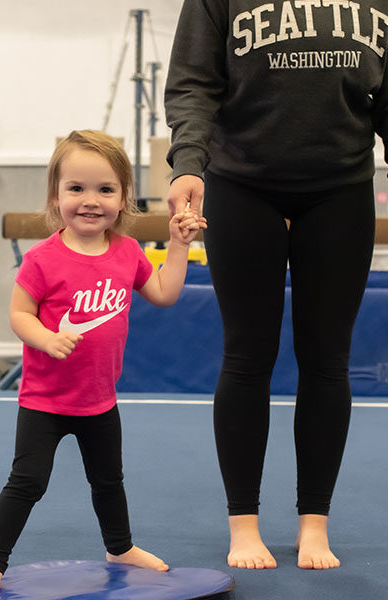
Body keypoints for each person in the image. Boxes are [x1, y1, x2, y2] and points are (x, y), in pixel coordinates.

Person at [164, 0, 383, 571]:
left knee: (327, 357)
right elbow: (193, 82)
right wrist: (188, 162)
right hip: (242, 183)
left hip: (341, 185)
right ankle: (244, 523)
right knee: (246, 355)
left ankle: (315, 524)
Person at [0, 129, 207, 599]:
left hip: (99, 400)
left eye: (105, 189)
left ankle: (120, 547)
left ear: (123, 197)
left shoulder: (127, 252)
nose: (90, 200)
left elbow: (164, 293)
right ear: (55, 196)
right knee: (26, 483)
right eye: (76, 188)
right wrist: (46, 338)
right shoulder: (42, 260)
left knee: (108, 481)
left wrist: (178, 246)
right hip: (45, 401)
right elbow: (19, 313)